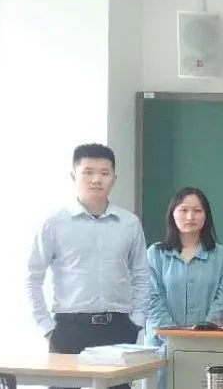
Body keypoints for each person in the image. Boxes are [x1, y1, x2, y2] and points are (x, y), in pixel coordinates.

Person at [27, 144, 148, 389]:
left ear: (114, 178)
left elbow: (141, 275)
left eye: (104, 173)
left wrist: (136, 322)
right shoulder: (54, 222)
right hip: (69, 328)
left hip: (117, 329)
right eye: (88, 172)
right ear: (74, 176)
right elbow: (33, 277)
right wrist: (47, 327)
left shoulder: (129, 223)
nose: (96, 180)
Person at [146, 187, 223, 389]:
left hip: (207, 345)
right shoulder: (155, 254)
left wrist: (204, 331)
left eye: (197, 210)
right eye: (184, 210)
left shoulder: (221, 255)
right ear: (172, 214)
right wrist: (173, 335)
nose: (190, 216)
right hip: (162, 346)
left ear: (206, 215)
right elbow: (150, 297)